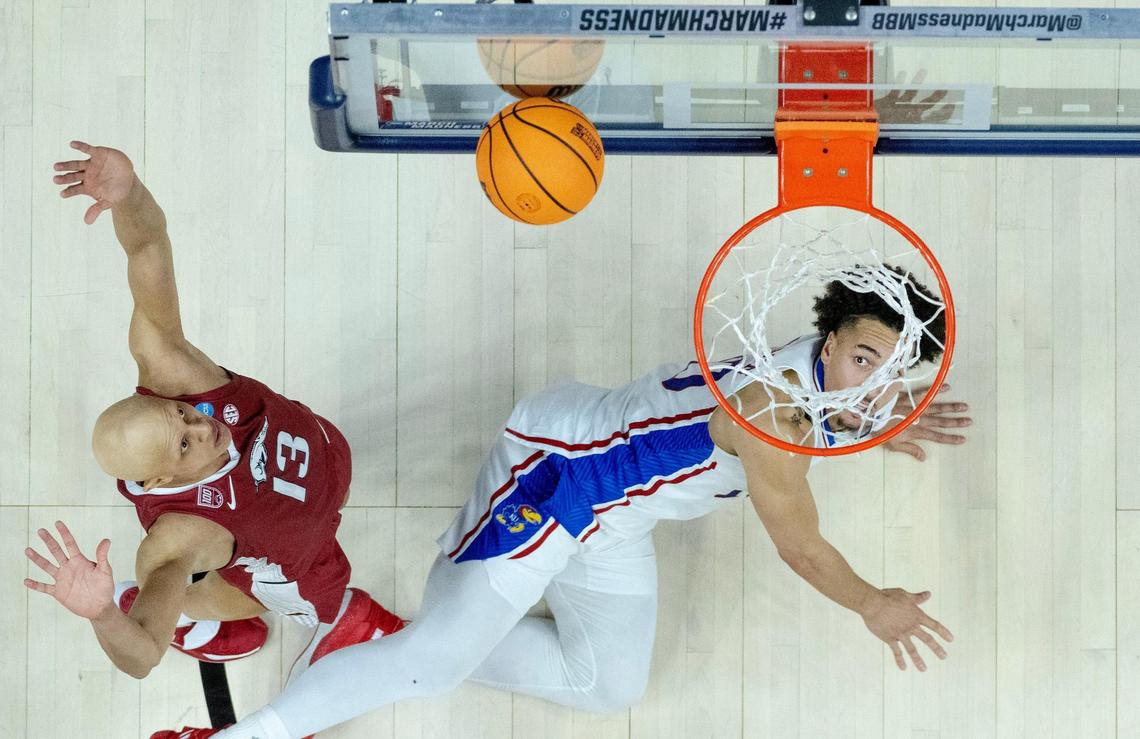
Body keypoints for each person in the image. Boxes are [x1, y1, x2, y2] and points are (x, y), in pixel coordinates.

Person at [155, 259, 971, 739]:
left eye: (897, 373)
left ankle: (386, 638)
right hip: (555, 478)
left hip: (616, 517)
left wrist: (875, 417)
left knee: (605, 684)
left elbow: (847, 403)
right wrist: (872, 602)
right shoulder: (774, 413)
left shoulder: (830, 388)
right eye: (867, 358)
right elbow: (802, 547)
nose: (880, 383)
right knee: (434, 669)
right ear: (829, 340)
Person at [23, 142, 405, 702]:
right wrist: (104, 613)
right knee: (248, 596)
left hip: (326, 453)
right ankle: (196, 616)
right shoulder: (179, 534)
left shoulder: (173, 368)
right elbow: (142, 656)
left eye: (181, 413)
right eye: (183, 445)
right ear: (159, 484)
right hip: (301, 558)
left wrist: (128, 194)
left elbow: (148, 246)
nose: (204, 427)